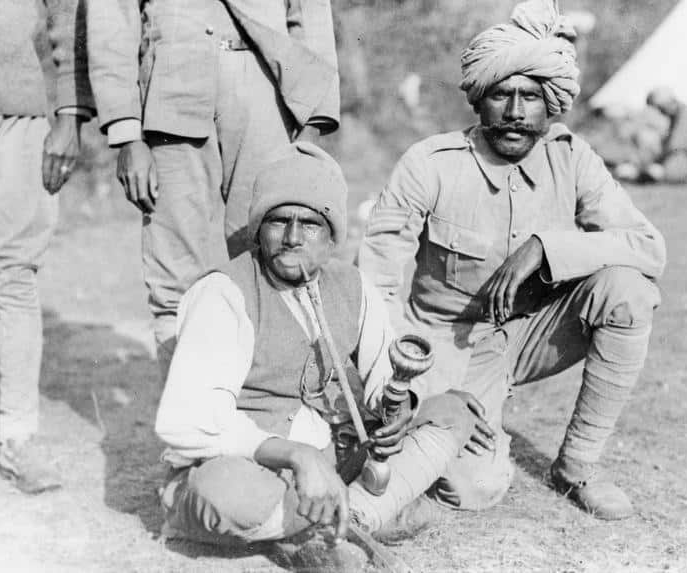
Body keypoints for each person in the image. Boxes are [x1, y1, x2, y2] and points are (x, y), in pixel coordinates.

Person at [358, 0, 666, 521]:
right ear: (479, 102)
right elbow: (377, 284)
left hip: (533, 334)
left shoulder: (571, 157)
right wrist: (408, 387)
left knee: (628, 291)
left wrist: (547, 248)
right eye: (501, 94)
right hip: (446, 343)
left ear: (552, 107)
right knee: (471, 486)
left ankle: (578, 467)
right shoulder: (430, 164)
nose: (516, 112)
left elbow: (647, 245)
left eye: (531, 97)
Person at [154, 142, 477, 560]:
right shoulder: (224, 293)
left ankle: (348, 517)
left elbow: (384, 372)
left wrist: (396, 411)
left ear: (331, 237)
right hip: (251, 465)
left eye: (309, 224)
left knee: (454, 410)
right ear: (258, 229)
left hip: (334, 458)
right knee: (226, 494)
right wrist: (296, 455)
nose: (291, 238)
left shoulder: (353, 287)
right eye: (278, 222)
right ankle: (341, 525)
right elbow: (188, 423)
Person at [87, 0, 341, 378]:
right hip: (171, 89)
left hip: (266, 88)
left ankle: (268, 414)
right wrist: (126, 133)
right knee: (174, 277)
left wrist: (315, 117)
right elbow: (112, 15)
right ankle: (188, 426)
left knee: (273, 260)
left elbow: (310, 11)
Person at [0, 0, 93, 493]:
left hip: (20, 109)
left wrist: (70, 117)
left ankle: (17, 436)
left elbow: (68, 17)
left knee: (13, 274)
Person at [617, 86, 687, 184]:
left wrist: (656, 162)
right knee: (672, 170)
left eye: (660, 109)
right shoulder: (675, 118)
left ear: (669, 104)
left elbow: (676, 143)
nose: (660, 113)